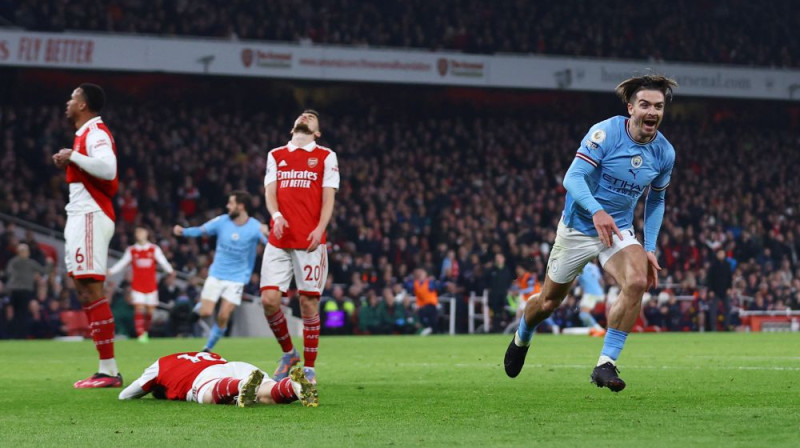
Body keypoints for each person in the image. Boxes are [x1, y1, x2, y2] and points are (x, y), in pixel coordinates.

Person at [504, 74, 677, 392]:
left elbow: (657, 199)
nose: (652, 112)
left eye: (658, 106)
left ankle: (605, 363)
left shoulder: (664, 152)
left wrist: (649, 247)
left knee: (637, 281)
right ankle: (523, 334)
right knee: (548, 302)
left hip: (618, 228)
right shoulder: (606, 132)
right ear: (631, 108)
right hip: (579, 227)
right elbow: (573, 177)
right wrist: (596, 211)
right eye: (645, 105)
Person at [260, 110, 339, 384]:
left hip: (309, 241)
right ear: (294, 126)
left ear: (317, 132)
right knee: (269, 301)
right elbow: (271, 192)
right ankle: (289, 353)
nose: (306, 116)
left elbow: (328, 198)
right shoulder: (276, 154)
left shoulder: (326, 156)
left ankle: (309, 367)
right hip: (279, 238)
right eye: (303, 115)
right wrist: (276, 216)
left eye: (313, 117)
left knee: (308, 303)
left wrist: (320, 228)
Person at [52, 83, 122, 388]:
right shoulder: (83, 135)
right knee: (83, 288)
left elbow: (108, 169)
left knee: (92, 289)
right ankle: (105, 368)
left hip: (92, 214)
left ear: (83, 105)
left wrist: (74, 157)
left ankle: (109, 370)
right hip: (81, 214)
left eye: (72, 98)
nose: (67, 102)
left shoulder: (95, 132)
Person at [173, 191, 267, 352]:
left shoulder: (255, 227)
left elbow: (270, 244)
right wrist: (183, 231)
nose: (227, 206)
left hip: (237, 278)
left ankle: (207, 348)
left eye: (231, 203)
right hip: (217, 275)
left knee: (224, 315)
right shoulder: (222, 221)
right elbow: (201, 230)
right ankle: (199, 307)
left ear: (241, 206)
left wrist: (269, 233)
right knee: (206, 312)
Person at [118, 351, 317, 407]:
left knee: (209, 395)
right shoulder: (200, 354)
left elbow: (126, 395)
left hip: (206, 378)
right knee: (268, 395)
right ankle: (292, 386)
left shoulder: (159, 364)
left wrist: (151, 386)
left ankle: (240, 386)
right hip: (233, 365)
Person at [108, 227, 174, 342]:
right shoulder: (132, 250)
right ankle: (140, 334)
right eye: (137, 232)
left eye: (142, 232)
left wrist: (170, 270)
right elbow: (123, 262)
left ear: (146, 234)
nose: (139, 234)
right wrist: (111, 271)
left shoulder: (154, 249)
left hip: (151, 286)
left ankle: (146, 331)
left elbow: (162, 260)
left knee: (150, 312)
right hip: (137, 285)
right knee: (139, 308)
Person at [6, 243, 53, 338]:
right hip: (25, 292)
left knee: (15, 314)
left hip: (14, 291)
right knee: (23, 314)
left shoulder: (13, 262)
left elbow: (8, 273)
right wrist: (50, 263)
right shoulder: (30, 263)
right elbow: (44, 271)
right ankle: (22, 335)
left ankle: (15, 336)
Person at [576, 260, 607, 337]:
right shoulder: (594, 267)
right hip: (600, 294)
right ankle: (593, 330)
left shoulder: (579, 267)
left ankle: (599, 330)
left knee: (583, 314)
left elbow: (573, 282)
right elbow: (601, 282)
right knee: (587, 313)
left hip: (590, 295)